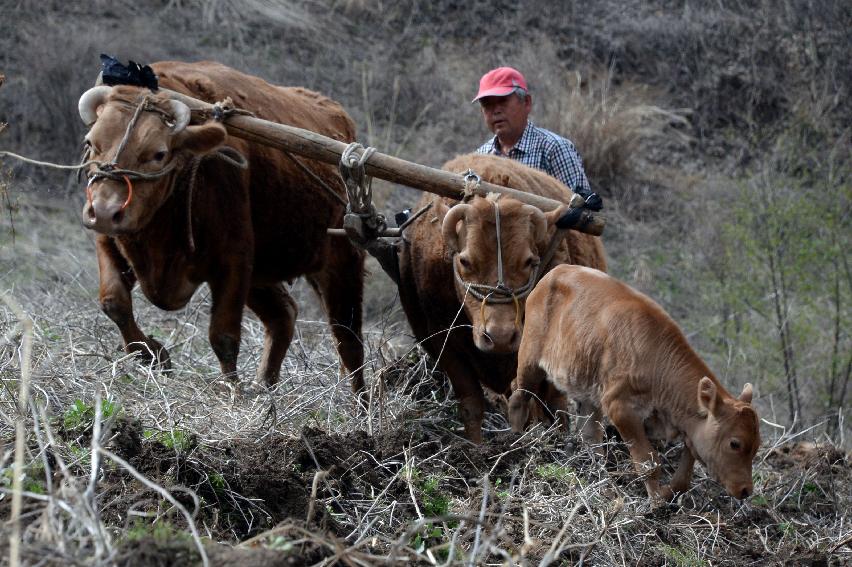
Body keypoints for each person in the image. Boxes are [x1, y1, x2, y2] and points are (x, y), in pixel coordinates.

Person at [473, 66, 601, 209]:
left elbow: (584, 216)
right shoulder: (480, 158)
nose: (496, 111)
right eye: (487, 105)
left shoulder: (554, 149)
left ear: (526, 103)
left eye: (503, 101)